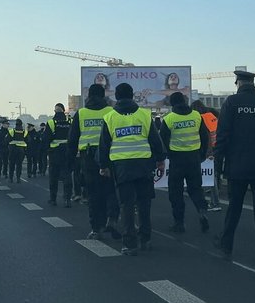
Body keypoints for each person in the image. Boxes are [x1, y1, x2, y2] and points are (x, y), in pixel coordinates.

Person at [213, 70, 255, 264]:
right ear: (253, 84)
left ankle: (226, 244)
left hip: (237, 165)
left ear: (238, 83)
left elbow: (223, 135)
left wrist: (218, 163)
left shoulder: (231, 103)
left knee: (234, 206)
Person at [99, 83, 165, 256]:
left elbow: (104, 145)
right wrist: (160, 159)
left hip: (122, 168)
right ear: (133, 95)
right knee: (144, 203)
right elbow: (155, 139)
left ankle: (129, 244)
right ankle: (146, 239)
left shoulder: (110, 117)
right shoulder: (144, 115)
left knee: (126, 206)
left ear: (117, 97)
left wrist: (103, 166)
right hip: (144, 165)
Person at [68, 84, 121, 240]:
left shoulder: (81, 113)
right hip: (110, 156)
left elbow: (72, 139)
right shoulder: (111, 112)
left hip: (88, 158)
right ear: (104, 95)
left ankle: (96, 228)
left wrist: (71, 161)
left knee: (93, 193)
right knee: (111, 190)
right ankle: (112, 219)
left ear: (88, 96)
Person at [160, 92, 211, 234]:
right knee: (196, 188)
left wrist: (167, 156)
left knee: (175, 192)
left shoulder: (169, 119)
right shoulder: (196, 116)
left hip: (177, 160)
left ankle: (179, 223)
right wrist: (201, 154)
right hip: (194, 158)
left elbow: (163, 140)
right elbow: (204, 136)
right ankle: (202, 210)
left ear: (172, 103)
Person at [192, 100, 221, 211]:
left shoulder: (200, 118)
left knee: (209, 176)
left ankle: (214, 203)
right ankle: (212, 200)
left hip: (209, 150)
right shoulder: (211, 115)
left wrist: (207, 152)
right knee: (213, 174)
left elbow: (206, 136)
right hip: (218, 146)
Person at [46, 103, 72, 207]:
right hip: (67, 151)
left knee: (53, 176)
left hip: (55, 153)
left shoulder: (51, 122)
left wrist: (47, 150)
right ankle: (67, 199)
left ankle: (53, 199)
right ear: (63, 111)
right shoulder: (70, 122)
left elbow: (46, 139)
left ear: (55, 111)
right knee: (67, 175)